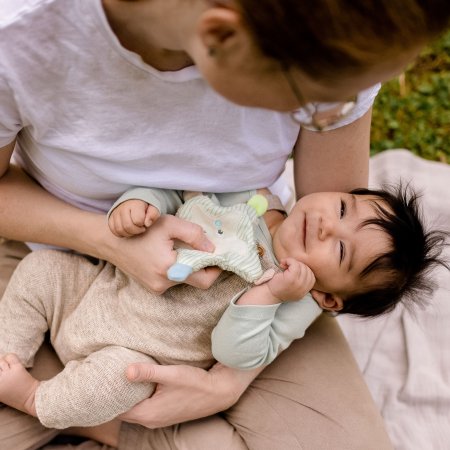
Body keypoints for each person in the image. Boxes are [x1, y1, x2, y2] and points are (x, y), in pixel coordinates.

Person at [0, 0, 449, 448]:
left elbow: (336, 273)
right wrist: (112, 235)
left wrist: (225, 383)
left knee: (121, 381)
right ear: (221, 38)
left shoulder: (343, 35)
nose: (329, 115)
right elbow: (176, 199)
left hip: (153, 351)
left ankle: (71, 409)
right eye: (315, 106)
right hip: (55, 247)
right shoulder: (19, 39)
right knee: (37, 294)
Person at [0, 184, 446, 435]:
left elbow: (235, 353)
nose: (328, 224)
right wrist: (140, 205)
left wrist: (269, 295)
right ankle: (8, 353)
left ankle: (31, 397)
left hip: (130, 354)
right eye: (343, 207)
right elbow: (182, 197)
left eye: (342, 249)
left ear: (330, 298)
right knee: (41, 271)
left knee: (121, 380)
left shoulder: (297, 305)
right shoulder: (251, 201)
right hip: (94, 289)